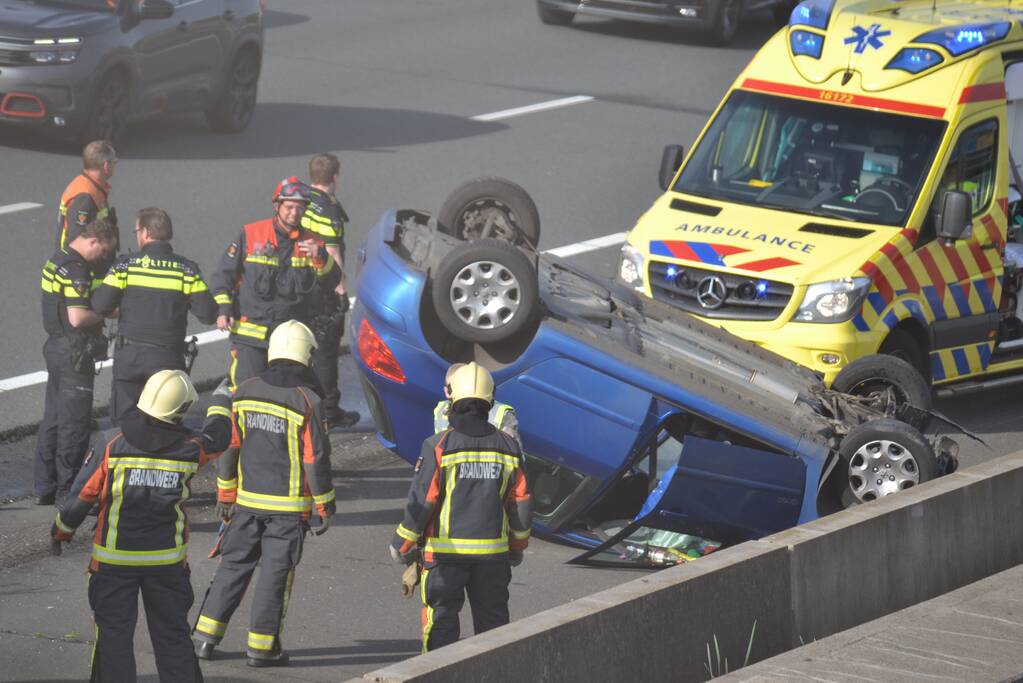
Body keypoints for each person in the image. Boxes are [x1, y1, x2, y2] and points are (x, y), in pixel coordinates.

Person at [50, 370, 234, 683]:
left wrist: (62, 530)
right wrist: (220, 400)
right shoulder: (191, 449)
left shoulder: (112, 442)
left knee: (114, 639)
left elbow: (82, 495)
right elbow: (219, 436)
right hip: (166, 564)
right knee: (172, 637)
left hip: (113, 562)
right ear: (179, 411)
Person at [193, 320, 335, 667]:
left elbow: (229, 448)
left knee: (233, 567)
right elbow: (314, 459)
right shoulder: (308, 401)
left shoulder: (245, 390)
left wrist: (226, 494)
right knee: (275, 575)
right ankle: (262, 648)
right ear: (306, 355)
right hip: (288, 512)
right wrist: (325, 504)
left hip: (246, 504)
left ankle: (204, 638)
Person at [391, 362, 532, 652]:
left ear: (452, 400)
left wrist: (402, 544)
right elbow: (520, 502)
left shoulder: (438, 445)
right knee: (493, 631)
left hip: (445, 557)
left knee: (441, 626)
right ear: (489, 402)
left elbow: (423, 500)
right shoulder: (508, 447)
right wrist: (517, 548)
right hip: (493, 557)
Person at [92, 208, 218, 426]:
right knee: (163, 423)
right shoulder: (186, 270)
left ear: (146, 232)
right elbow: (208, 314)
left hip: (129, 357)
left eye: (136, 231)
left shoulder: (125, 265)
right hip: (166, 359)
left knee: (123, 425)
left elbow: (99, 306)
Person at [210, 178, 338, 390]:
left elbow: (331, 282)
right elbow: (223, 275)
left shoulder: (314, 243)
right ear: (277, 205)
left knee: (290, 398)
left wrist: (321, 256)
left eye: (300, 208)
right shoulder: (251, 234)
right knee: (244, 392)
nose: (294, 213)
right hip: (251, 338)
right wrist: (223, 309)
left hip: (290, 343)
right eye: (289, 207)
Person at [34, 219, 117, 506]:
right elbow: (78, 317)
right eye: (104, 251)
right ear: (94, 241)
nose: (104, 258)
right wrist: (108, 312)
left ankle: (44, 487)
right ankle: (68, 491)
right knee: (75, 423)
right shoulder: (76, 269)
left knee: (53, 419)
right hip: (75, 353)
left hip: (56, 347)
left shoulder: (57, 260)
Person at [302, 153, 359, 429]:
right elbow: (333, 251)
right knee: (326, 353)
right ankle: (329, 410)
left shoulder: (301, 202)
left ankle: (307, 404)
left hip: (301, 285)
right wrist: (341, 291)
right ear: (334, 178)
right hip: (323, 288)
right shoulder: (328, 210)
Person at [57, 140, 119, 275]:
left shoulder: (90, 186)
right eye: (114, 162)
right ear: (106, 166)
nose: (115, 166)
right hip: (85, 268)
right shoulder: (85, 196)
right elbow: (76, 238)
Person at [433, 362, 520, 447]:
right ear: (446, 391)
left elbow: (514, 452)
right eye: (452, 387)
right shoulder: (440, 410)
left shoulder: (500, 413)